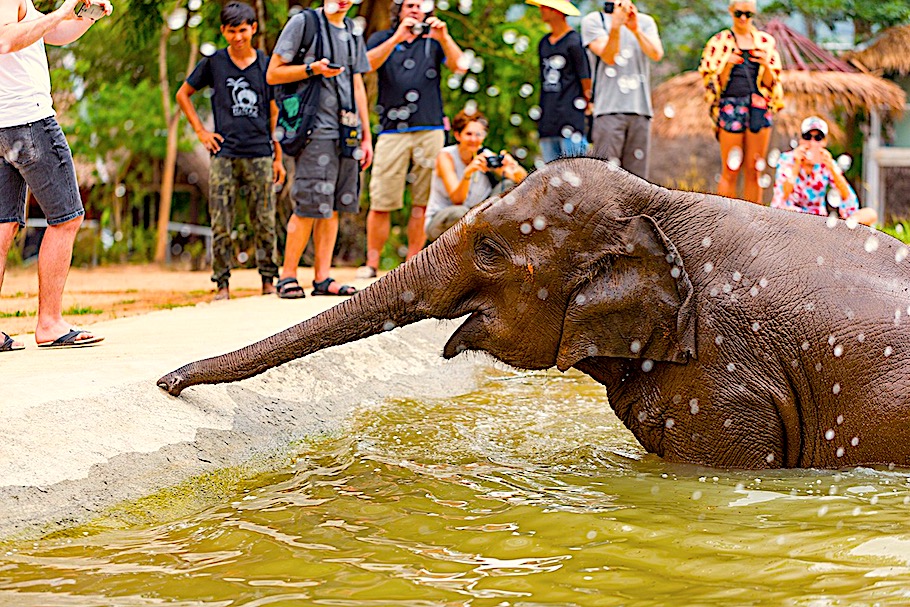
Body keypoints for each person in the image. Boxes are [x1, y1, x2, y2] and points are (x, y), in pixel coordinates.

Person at [0, 0, 109, 350]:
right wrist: (60, 12)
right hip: (28, 120)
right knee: (67, 218)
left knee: (2, 226)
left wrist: (85, 17)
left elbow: (51, 35)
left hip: (4, 125)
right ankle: (50, 322)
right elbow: (5, 39)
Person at [176, 2, 285, 302]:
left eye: (243, 30)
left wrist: (277, 156)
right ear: (224, 31)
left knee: (264, 219)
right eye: (232, 31)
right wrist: (200, 131)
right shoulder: (214, 63)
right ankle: (222, 284)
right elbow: (183, 94)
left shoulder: (265, 64)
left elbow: (274, 111)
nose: (238, 37)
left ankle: (268, 279)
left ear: (253, 29)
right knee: (221, 219)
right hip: (224, 153)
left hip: (260, 152)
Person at [267, 0, 373, 298]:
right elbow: (273, 74)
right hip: (314, 129)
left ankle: (323, 278)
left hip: (347, 132)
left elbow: (357, 83)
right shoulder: (304, 23)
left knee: (334, 206)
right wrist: (312, 69)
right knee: (309, 204)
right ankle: (287, 276)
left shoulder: (353, 30)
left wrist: (365, 136)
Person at [358, 0, 465, 279]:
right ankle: (371, 263)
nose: (415, 9)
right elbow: (366, 65)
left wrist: (445, 37)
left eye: (420, 4)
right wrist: (397, 38)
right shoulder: (383, 37)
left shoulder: (434, 39)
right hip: (391, 130)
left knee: (422, 200)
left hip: (429, 127)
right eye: (409, 5)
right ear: (399, 10)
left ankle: (413, 266)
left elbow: (460, 67)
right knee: (382, 199)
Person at [699, 0, 783, 204]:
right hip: (730, 105)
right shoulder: (719, 42)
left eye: (748, 14)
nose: (744, 18)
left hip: (758, 106)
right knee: (730, 167)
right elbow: (710, 84)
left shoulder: (765, 42)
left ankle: (753, 223)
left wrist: (765, 65)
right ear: (731, 12)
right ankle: (724, 222)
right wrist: (727, 65)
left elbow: (772, 84)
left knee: (755, 168)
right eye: (739, 14)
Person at [581, 0, 662, 179]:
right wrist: (616, 27)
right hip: (607, 110)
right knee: (604, 179)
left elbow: (656, 53)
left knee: (638, 181)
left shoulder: (645, 21)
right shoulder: (594, 20)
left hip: (640, 109)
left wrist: (635, 29)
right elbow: (609, 57)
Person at [424, 110, 528, 242]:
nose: (474, 139)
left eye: (478, 134)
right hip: (444, 221)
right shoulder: (446, 156)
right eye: (468, 134)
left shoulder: (485, 155)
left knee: (509, 185)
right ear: (457, 135)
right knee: (461, 213)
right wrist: (469, 172)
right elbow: (457, 199)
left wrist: (512, 166)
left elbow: (523, 181)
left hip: (477, 221)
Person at [771, 116, 878, 226]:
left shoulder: (826, 163)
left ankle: (840, 232)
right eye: (807, 137)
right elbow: (780, 198)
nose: (812, 143)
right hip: (792, 217)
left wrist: (832, 168)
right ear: (800, 139)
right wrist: (796, 164)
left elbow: (850, 203)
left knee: (870, 214)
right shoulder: (787, 159)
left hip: (818, 222)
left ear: (824, 142)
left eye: (818, 138)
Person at [528, 0, 591, 163]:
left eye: (545, 7)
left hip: (570, 117)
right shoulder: (544, 43)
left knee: (574, 172)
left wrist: (588, 103)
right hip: (548, 118)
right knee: (551, 175)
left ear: (557, 11)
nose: (541, 10)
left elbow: (585, 78)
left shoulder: (574, 41)